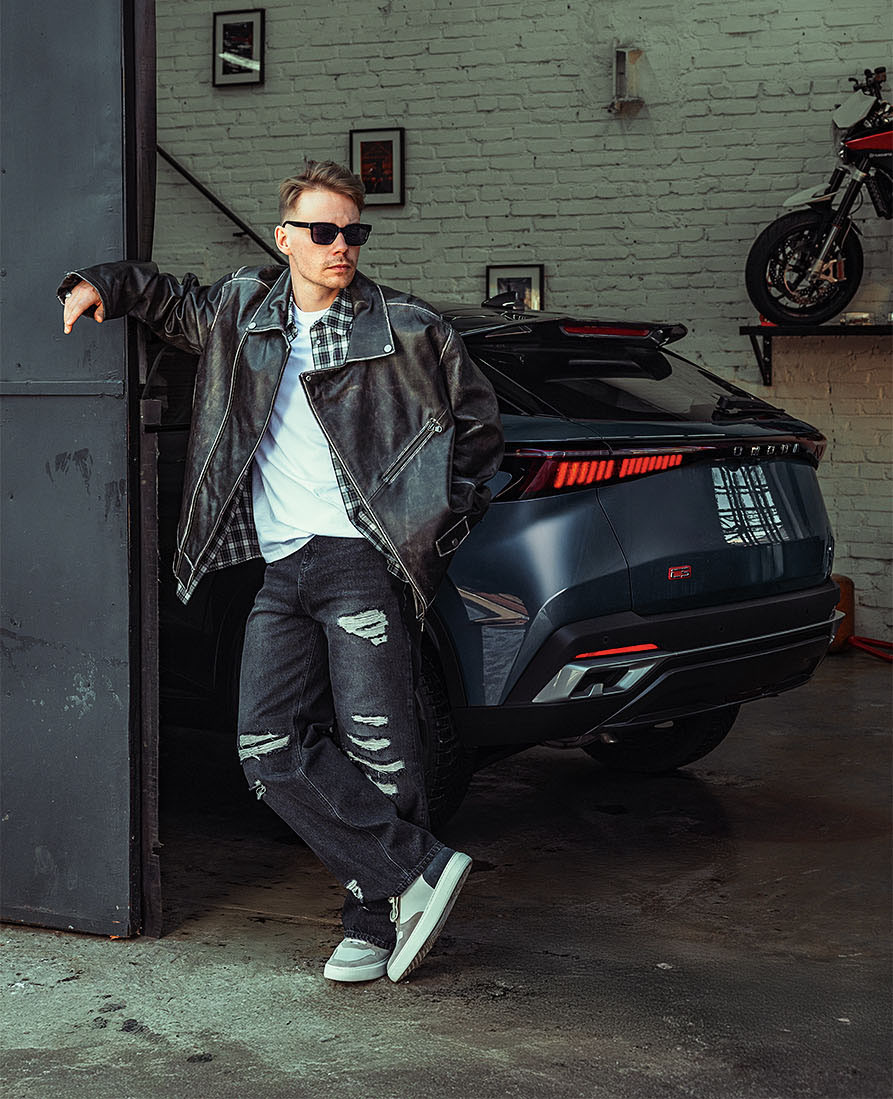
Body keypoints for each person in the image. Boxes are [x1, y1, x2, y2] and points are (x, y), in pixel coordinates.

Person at [60, 160, 504, 983]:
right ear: (285, 238)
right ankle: (415, 868)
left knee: (380, 749)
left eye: (353, 231)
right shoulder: (241, 312)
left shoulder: (407, 328)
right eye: (324, 231)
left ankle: (372, 923)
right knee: (266, 749)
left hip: (360, 562)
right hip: (282, 568)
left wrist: (432, 532)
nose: (342, 246)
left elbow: (478, 437)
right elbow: (167, 298)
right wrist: (100, 285)